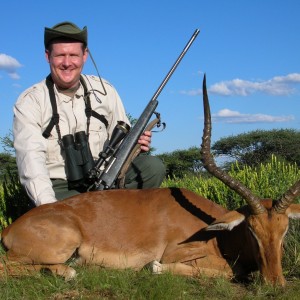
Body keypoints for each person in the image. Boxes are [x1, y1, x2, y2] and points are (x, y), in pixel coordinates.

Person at [13, 21, 166, 207]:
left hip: (104, 178)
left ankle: (125, 220)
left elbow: (123, 139)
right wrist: (49, 208)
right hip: (59, 188)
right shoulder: (30, 101)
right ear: (48, 56)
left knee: (152, 167)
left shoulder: (105, 90)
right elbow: (31, 163)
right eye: (60, 55)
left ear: (85, 55)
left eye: (73, 55)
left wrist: (136, 145)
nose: (67, 63)